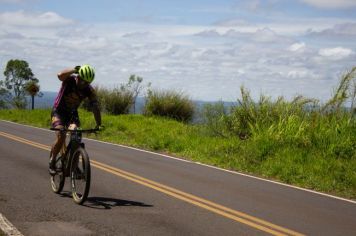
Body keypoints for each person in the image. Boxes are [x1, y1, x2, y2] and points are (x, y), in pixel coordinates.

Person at [49, 64, 101, 175]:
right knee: (61, 135)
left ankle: (73, 164)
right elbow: (59, 75)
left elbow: (95, 107)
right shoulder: (70, 80)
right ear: (78, 76)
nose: (84, 85)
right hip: (59, 111)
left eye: (88, 82)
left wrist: (98, 124)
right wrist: (73, 70)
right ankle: (52, 161)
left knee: (77, 136)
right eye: (83, 81)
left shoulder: (89, 90)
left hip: (72, 114)